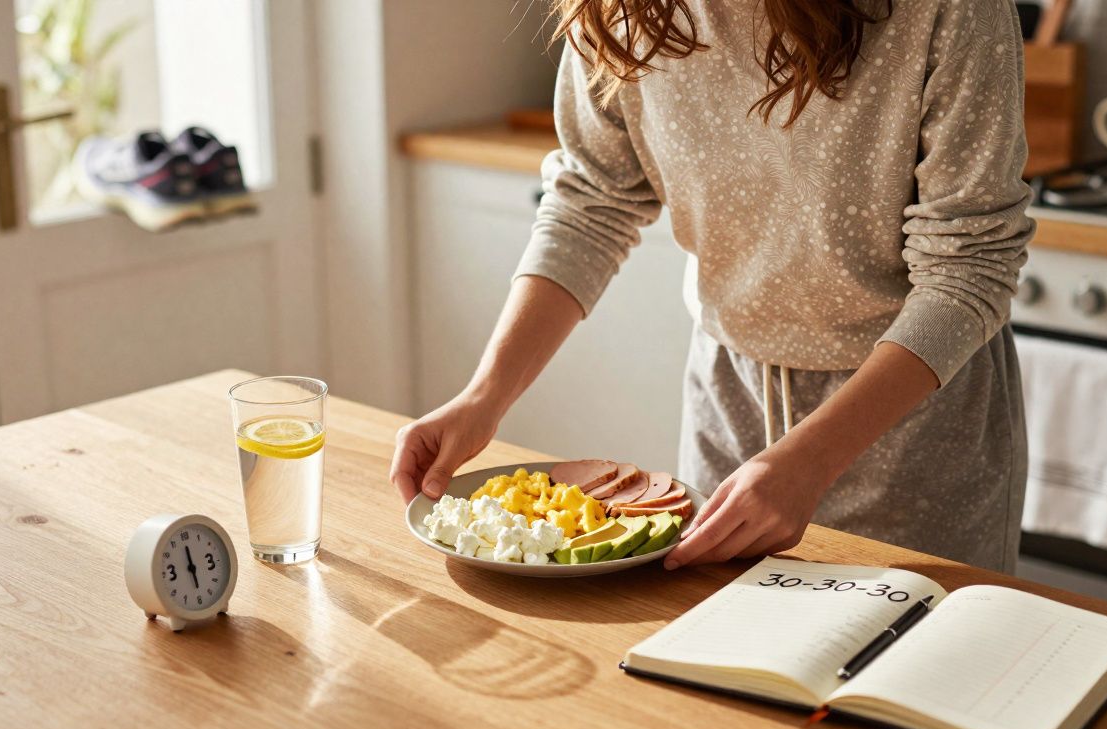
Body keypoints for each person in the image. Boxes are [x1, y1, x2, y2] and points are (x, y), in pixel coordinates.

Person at [391, 0, 1033, 572]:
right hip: (728, 405)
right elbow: (591, 202)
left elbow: (967, 266)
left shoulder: (945, 10)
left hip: (914, 432)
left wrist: (811, 458)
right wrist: (484, 397)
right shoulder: (619, 9)